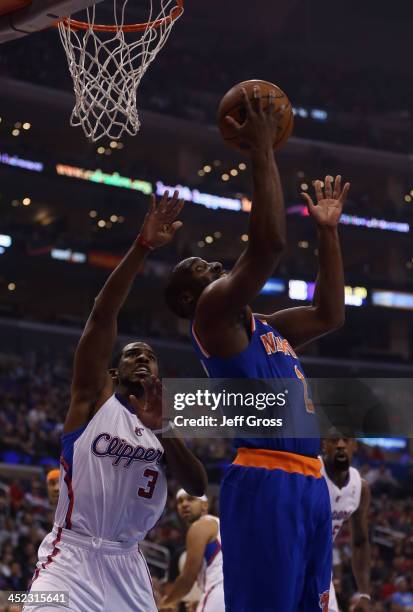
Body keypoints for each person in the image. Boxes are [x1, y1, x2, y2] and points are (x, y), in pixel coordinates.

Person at [165, 84, 350, 611]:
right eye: (197, 267)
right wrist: (262, 148)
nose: (211, 264)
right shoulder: (211, 317)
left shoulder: (266, 325)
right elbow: (268, 245)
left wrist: (329, 234)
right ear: (186, 296)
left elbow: (330, 314)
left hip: (308, 484)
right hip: (265, 479)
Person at [26, 191, 207, 612]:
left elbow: (197, 484)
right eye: (132, 355)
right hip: (69, 559)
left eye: (150, 356)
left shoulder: (163, 427)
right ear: (113, 373)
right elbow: (103, 315)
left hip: (127, 564)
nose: (143, 358)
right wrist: (141, 247)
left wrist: (164, 430)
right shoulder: (93, 400)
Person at [322, 436, 371, 612]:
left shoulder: (360, 487)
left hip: (319, 571)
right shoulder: (309, 474)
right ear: (323, 445)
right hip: (286, 564)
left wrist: (364, 594)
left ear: (355, 445)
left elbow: (360, 543)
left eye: (347, 440)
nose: (341, 445)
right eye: (334, 440)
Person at [160, 489, 224, 611]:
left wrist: (167, 602)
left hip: (218, 592)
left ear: (205, 505)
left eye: (190, 499)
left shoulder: (200, 526)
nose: (184, 504)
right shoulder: (219, 525)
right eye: (180, 501)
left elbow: (187, 578)